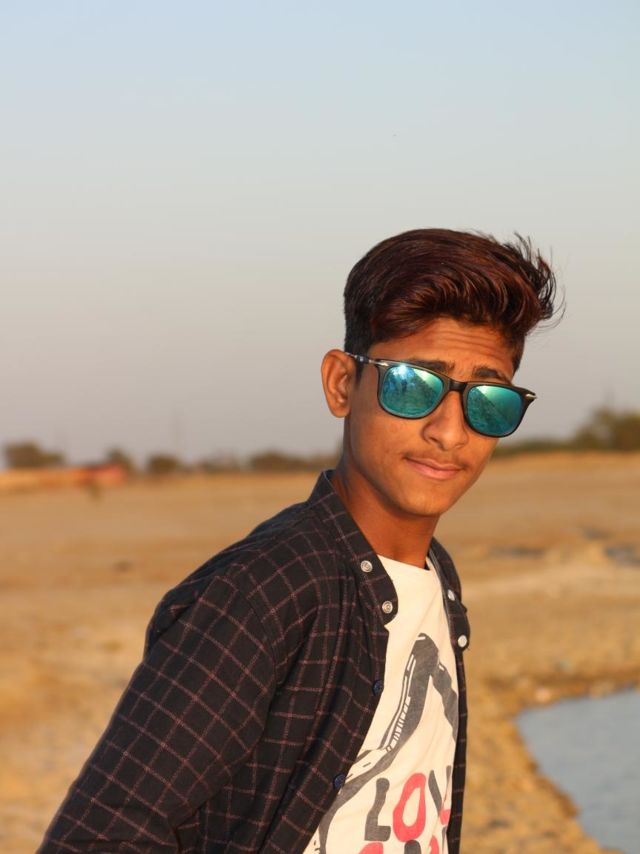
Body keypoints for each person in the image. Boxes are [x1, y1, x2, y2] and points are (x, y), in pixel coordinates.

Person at [39, 228, 558, 854]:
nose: (450, 431)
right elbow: (103, 833)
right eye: (413, 385)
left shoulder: (436, 577)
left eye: (489, 400)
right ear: (342, 384)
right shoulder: (264, 591)